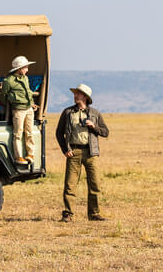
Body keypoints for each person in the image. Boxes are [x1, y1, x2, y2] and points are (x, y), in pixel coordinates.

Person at [55, 83, 109, 222]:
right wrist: (65, 149)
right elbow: (59, 133)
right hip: (74, 151)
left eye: (78, 94)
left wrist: (94, 126)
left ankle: (94, 214)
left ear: (85, 97)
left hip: (91, 152)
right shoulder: (67, 112)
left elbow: (105, 132)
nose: (75, 96)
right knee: (70, 184)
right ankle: (68, 214)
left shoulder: (95, 113)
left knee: (95, 184)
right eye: (75, 93)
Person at [1, 55, 39, 164]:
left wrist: (32, 103)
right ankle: (18, 157)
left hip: (28, 109)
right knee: (18, 133)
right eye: (25, 67)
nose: (27, 69)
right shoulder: (8, 81)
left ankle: (30, 154)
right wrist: (12, 102)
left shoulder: (25, 78)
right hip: (18, 110)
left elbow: (28, 92)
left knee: (29, 132)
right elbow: (4, 95)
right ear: (19, 68)